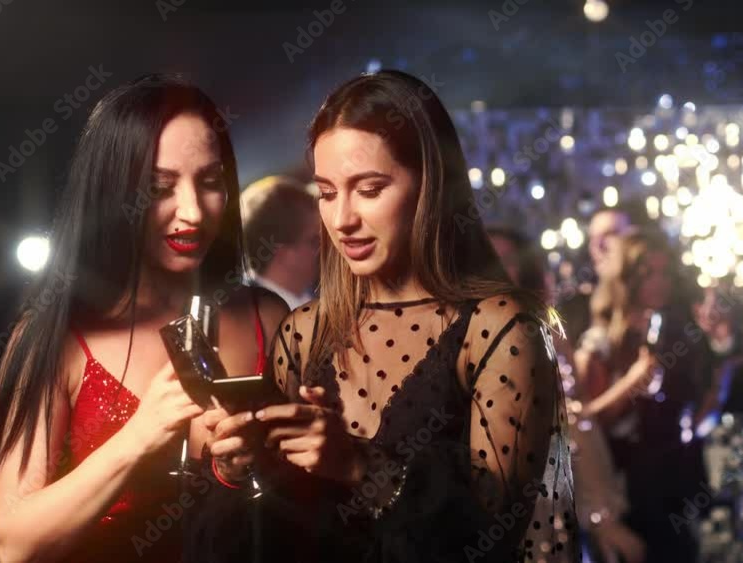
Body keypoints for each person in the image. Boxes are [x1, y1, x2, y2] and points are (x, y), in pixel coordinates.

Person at [193, 70, 578, 563]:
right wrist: (242, 464)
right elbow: (270, 533)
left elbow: (498, 527)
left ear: (431, 186)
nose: (342, 218)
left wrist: (359, 465)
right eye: (328, 193)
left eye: (369, 189)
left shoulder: (499, 329)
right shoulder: (305, 334)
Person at [0, 74, 288, 563]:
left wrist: (252, 468)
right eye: (158, 187)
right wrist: (139, 437)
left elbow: (301, 512)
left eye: (210, 182)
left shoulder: (266, 316)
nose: (191, 211)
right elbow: (16, 543)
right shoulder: (56, 337)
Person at [575, 229, 711, 563]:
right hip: (628, 490)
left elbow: (702, 399)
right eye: (648, 273)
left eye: (664, 272)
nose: (659, 282)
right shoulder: (599, 341)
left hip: (677, 483)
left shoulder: (677, 331)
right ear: (626, 277)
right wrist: (631, 383)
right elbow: (582, 421)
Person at [559, 203, 641, 348]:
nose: (597, 246)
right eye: (593, 238)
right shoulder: (575, 309)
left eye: (610, 234)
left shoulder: (651, 302)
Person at [241, 175, 321, 309]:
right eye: (315, 241)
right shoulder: (251, 318)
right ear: (282, 254)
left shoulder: (312, 296)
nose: (324, 248)